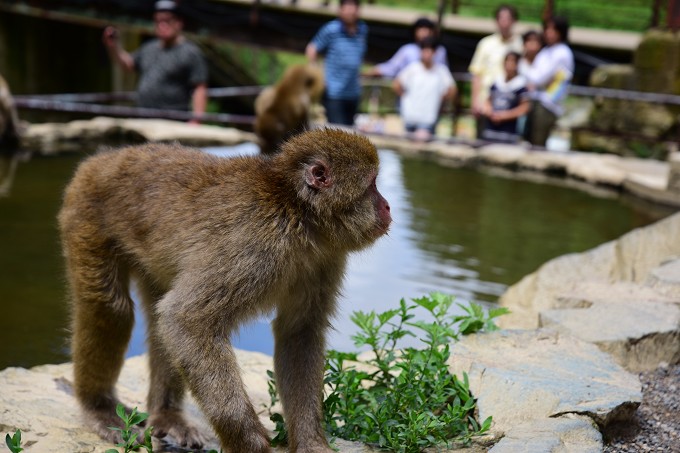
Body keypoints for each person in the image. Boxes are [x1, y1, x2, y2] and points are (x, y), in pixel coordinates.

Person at [102, 0, 208, 122]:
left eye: (167, 21)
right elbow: (128, 64)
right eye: (158, 21)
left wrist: (196, 121)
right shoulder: (149, 48)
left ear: (179, 23)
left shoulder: (191, 52)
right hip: (144, 119)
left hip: (173, 121)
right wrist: (113, 47)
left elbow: (199, 88)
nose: (162, 25)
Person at [306, 0, 368, 126]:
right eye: (347, 6)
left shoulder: (363, 29)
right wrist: (319, 77)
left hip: (353, 92)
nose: (351, 10)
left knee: (350, 131)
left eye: (354, 6)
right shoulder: (331, 29)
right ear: (340, 10)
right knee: (338, 131)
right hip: (334, 92)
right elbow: (312, 49)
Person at [468, 4, 522, 139]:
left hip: (510, 105)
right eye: (501, 19)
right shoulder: (485, 44)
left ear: (514, 21)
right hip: (485, 103)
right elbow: (476, 74)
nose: (504, 22)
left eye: (508, 18)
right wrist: (475, 101)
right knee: (481, 141)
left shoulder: (520, 45)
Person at [523, 16, 574, 147]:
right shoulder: (546, 51)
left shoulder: (562, 52)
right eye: (547, 29)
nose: (549, 33)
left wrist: (522, 65)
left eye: (553, 29)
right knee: (529, 140)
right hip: (537, 100)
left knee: (538, 143)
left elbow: (538, 79)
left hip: (549, 104)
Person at [392, 37, 456, 142]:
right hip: (409, 117)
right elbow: (396, 84)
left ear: (435, 52)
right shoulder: (412, 68)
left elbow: (452, 89)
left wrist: (441, 100)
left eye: (430, 50)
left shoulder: (441, 71)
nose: (427, 53)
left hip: (428, 119)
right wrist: (405, 97)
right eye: (425, 50)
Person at [364, 17, 448, 79]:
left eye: (427, 30)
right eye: (421, 30)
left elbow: (444, 74)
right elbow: (391, 67)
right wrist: (372, 71)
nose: (424, 33)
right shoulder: (408, 50)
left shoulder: (441, 51)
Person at [481, 51, 530, 143]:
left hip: (509, 131)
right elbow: (488, 100)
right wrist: (489, 112)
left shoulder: (521, 85)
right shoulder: (497, 81)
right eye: (507, 61)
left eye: (513, 61)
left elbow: (524, 107)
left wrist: (504, 116)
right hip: (491, 128)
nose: (509, 64)